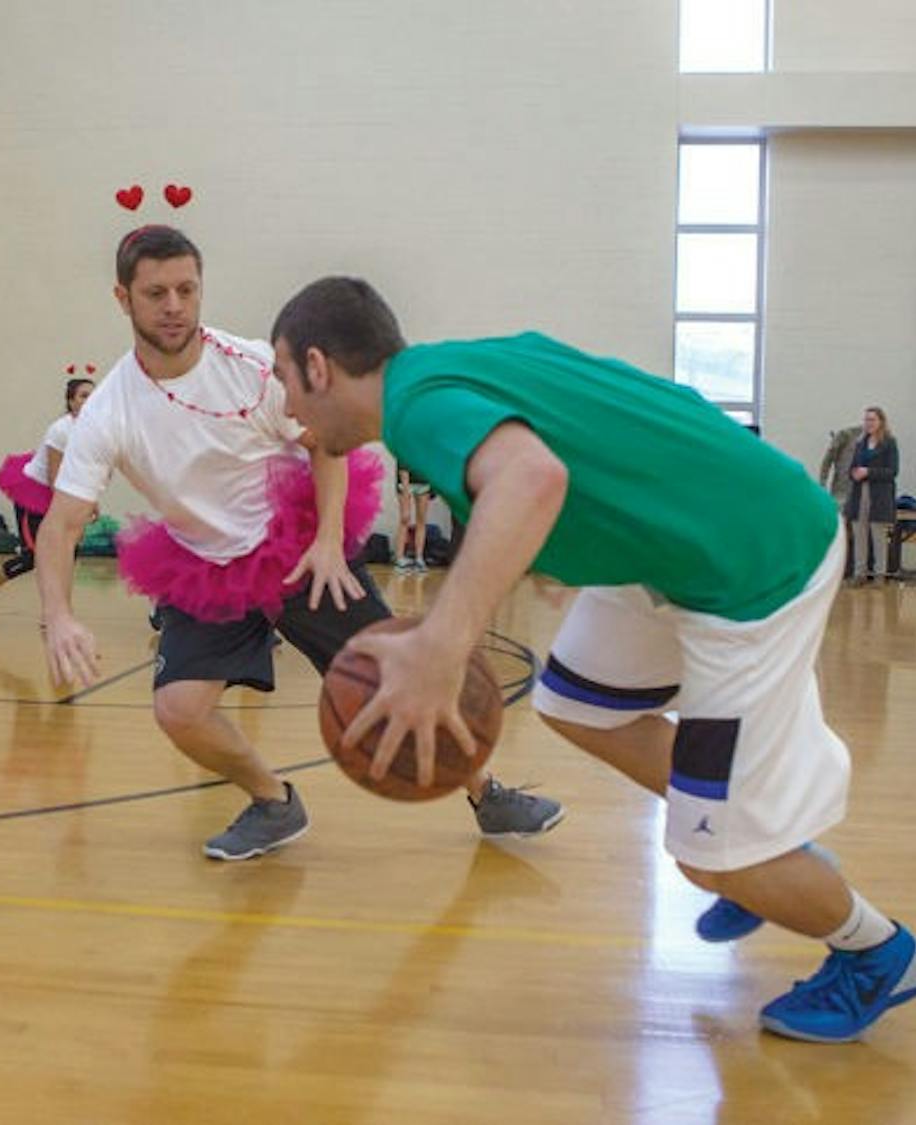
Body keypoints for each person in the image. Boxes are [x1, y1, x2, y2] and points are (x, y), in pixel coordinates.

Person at [268, 275, 913, 1043]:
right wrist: (566, 551)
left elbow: (533, 476)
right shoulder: (451, 366)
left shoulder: (415, 408)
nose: (289, 411)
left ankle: (876, 949)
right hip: (680, 550)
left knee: (710, 861)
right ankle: (752, 834)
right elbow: (584, 435)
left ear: (317, 364)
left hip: (753, 568)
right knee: (574, 699)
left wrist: (440, 647)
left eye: (285, 382)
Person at [35, 227, 563, 861]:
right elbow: (61, 524)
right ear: (124, 299)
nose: (173, 304)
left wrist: (330, 542)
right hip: (204, 568)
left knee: (392, 675)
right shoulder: (109, 409)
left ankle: (489, 793)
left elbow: (325, 444)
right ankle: (272, 802)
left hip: (294, 549)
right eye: (156, 293)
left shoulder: (255, 369)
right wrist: (59, 616)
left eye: (186, 289)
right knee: (179, 711)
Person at [0, 376, 95, 621]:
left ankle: (59, 613)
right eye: (83, 396)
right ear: (71, 402)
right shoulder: (61, 431)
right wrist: (80, 502)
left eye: (93, 395)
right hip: (36, 494)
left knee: (69, 553)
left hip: (63, 493)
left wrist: (91, 499)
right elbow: (55, 476)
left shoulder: (95, 430)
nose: (90, 401)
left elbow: (86, 469)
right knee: (35, 558)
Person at [845, 406, 899, 586]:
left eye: (872, 419)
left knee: (878, 536)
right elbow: (851, 467)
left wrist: (868, 471)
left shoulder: (890, 443)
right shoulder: (860, 443)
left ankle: (879, 576)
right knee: (859, 534)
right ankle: (859, 574)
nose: (868, 423)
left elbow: (892, 471)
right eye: (866, 419)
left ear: (881, 422)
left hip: (879, 495)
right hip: (859, 494)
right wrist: (853, 473)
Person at [393, 463, 431, 573]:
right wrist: (405, 492)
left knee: (421, 520)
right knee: (405, 519)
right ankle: (399, 559)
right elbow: (402, 464)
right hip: (405, 482)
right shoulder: (406, 446)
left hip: (423, 482)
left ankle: (419, 558)